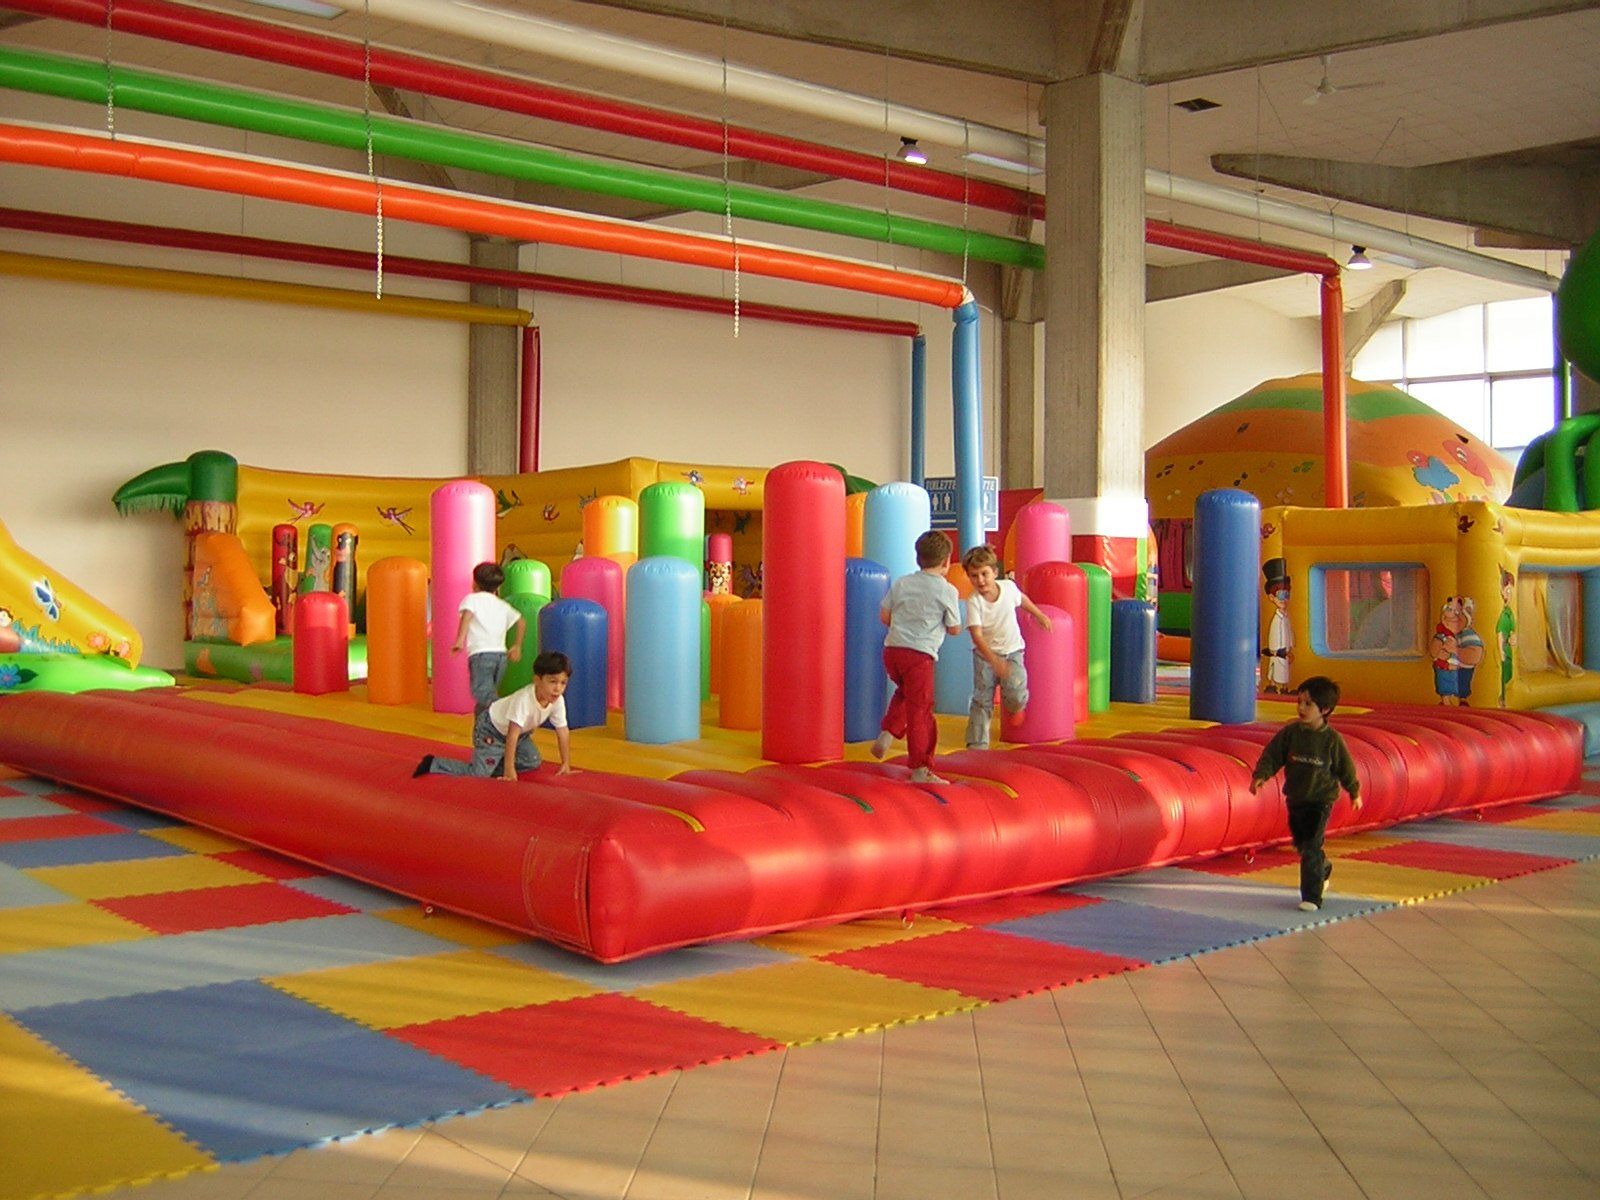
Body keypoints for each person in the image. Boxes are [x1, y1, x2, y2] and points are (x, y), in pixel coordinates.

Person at [1248, 675, 1363, 911]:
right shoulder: (1292, 733)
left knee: (1309, 847)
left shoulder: (1331, 740)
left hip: (1320, 800)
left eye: (1308, 704)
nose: (1301, 708)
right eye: (1299, 702)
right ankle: (1323, 867)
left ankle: (1312, 896)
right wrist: (1261, 775)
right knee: (1303, 846)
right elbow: (1273, 754)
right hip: (1296, 798)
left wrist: (1354, 791)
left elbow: (1345, 768)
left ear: (1325, 709)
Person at [872, 530, 962, 785]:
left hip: (892, 651)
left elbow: (884, 616)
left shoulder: (902, 582)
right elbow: (955, 629)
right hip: (919, 655)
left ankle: (888, 732)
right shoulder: (947, 591)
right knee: (921, 710)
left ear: (918, 558)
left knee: (907, 692)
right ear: (946, 562)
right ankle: (921, 768)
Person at [415, 650, 573, 780]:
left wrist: (565, 763)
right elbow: (512, 733)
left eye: (563, 683)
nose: (558, 688)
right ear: (537, 680)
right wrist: (509, 770)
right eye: (552, 682)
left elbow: (563, 731)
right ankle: (433, 763)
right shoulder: (524, 699)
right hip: (491, 729)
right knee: (479, 774)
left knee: (532, 761)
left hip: (520, 735)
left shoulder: (557, 701)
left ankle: (493, 761)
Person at [960, 544, 1053, 750]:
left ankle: (1016, 705)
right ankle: (977, 744)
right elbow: (976, 635)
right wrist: (994, 660)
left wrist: (1039, 615)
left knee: (1016, 690)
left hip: (1013, 652)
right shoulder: (974, 601)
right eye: (974, 576)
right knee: (982, 699)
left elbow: (1022, 600)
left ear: (994, 572)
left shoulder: (1009, 588)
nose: (980, 580)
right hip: (985, 656)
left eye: (984, 574)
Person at [454, 562, 526, 715]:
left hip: (481, 654)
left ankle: (508, 713)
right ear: (497, 586)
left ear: (475, 583)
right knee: (486, 696)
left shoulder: (472, 599)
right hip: (500, 656)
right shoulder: (501, 604)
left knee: (482, 693)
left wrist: (460, 640)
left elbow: (467, 616)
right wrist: (517, 645)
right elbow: (521, 622)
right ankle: (484, 729)